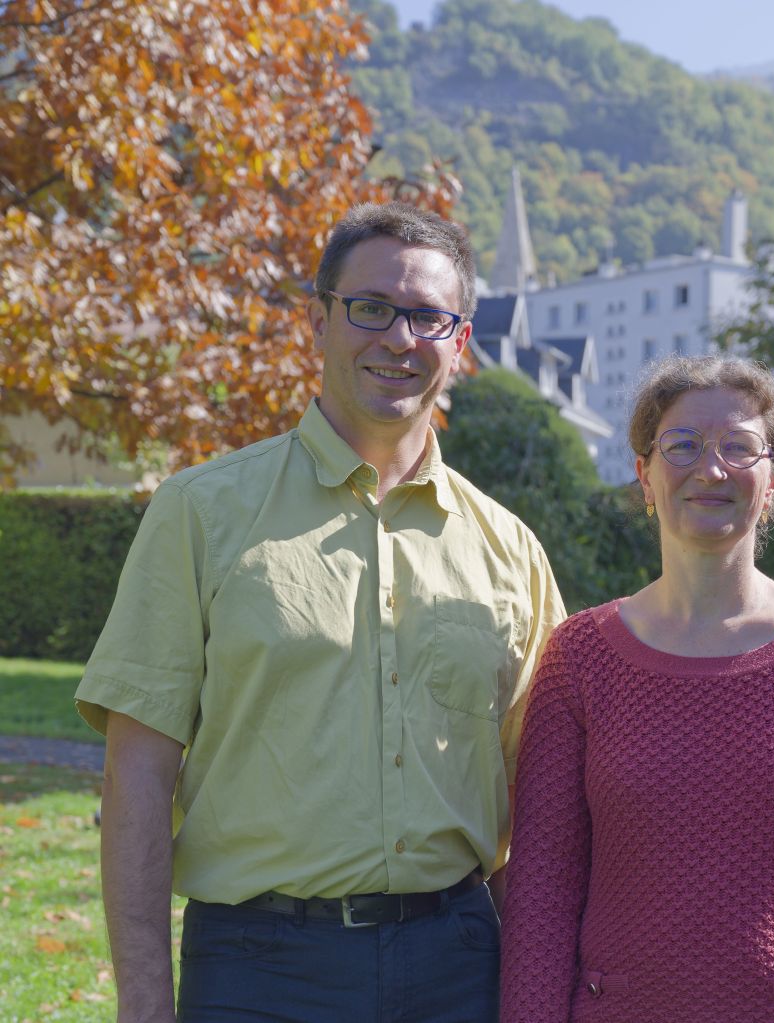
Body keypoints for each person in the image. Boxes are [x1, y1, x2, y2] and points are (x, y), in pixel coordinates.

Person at [74, 202, 564, 1023]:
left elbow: (540, 803)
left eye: (427, 317)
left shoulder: (510, 549)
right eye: (370, 308)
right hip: (259, 971)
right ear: (319, 320)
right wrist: (145, 1005)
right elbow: (138, 777)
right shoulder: (200, 512)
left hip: (460, 966)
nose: (398, 339)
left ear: (462, 344)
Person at [500, 355, 774, 1022]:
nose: (711, 468)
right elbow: (541, 894)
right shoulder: (580, 658)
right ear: (645, 476)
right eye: (683, 444)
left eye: (739, 446)